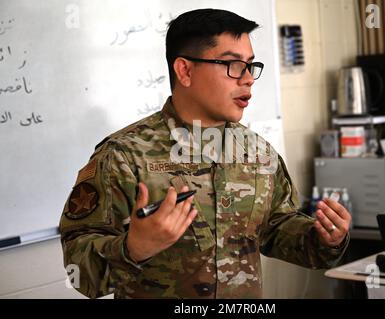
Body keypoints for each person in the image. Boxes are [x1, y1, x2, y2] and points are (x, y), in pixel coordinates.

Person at [59, 8, 351, 299]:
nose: (247, 78)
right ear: (185, 70)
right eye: (232, 65)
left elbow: (277, 228)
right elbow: (78, 270)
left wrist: (324, 238)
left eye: (250, 65)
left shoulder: (259, 152)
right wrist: (134, 248)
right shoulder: (124, 156)